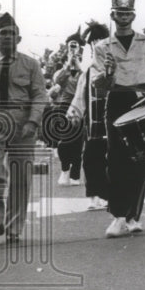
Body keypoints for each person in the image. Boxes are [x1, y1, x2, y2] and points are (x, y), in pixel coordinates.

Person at [93, 0, 145, 238]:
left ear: (133, 15)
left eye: (127, 14)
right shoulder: (102, 47)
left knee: (139, 158)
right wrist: (108, 74)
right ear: (112, 15)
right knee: (116, 159)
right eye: (119, 14)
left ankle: (134, 215)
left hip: (142, 101)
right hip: (117, 100)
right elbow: (98, 85)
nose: (123, 18)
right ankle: (118, 216)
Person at [0, 13, 48, 244]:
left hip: (23, 122)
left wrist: (33, 122)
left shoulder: (31, 65)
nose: (7, 37)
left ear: (19, 38)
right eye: (2, 33)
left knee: (21, 178)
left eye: (11, 33)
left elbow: (39, 95)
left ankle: (14, 229)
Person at [67, 20, 111, 210]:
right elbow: (79, 96)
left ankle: (107, 195)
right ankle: (93, 196)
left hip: (112, 124)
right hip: (92, 126)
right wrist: (74, 115)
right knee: (91, 160)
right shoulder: (88, 72)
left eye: (100, 41)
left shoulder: (114, 69)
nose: (97, 46)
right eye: (94, 43)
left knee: (110, 161)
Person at [51, 31, 86, 187]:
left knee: (78, 143)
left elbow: (88, 81)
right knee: (64, 142)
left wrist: (78, 65)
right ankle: (65, 169)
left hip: (79, 106)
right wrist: (68, 65)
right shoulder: (62, 72)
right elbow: (57, 81)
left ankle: (75, 174)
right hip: (64, 106)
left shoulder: (83, 71)